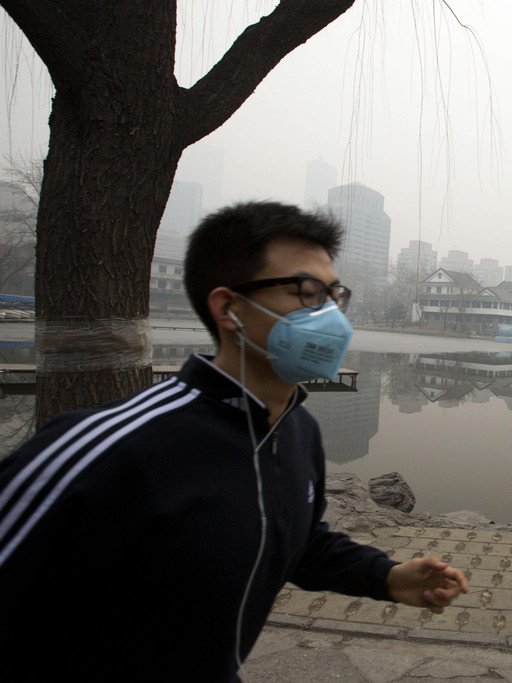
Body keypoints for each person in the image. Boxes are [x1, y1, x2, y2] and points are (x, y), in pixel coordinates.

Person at [0, 201, 469, 680]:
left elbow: (293, 537)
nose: (330, 316)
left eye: (333, 295)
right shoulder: (105, 451)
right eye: (306, 292)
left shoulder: (297, 430)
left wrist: (385, 576)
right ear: (228, 308)